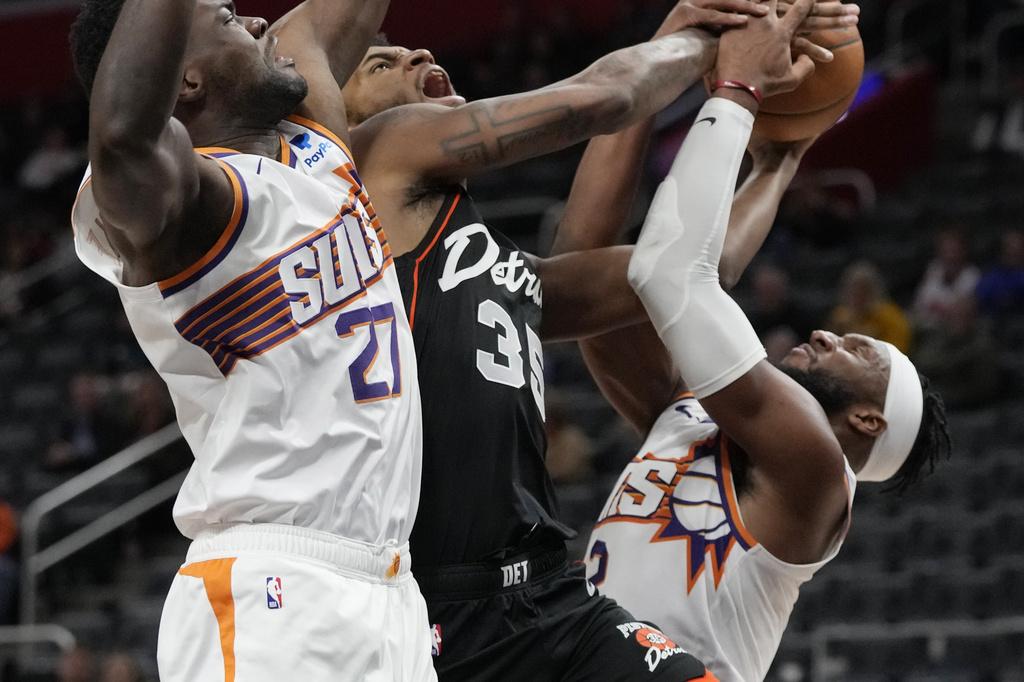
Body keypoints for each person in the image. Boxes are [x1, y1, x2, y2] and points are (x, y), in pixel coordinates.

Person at [336, 1, 857, 678]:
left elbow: (684, 269)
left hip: (546, 590)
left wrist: (777, 162)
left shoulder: (493, 265)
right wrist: (719, 61)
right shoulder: (376, 152)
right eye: (380, 64)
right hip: (436, 605)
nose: (418, 54)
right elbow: (605, 97)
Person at [576, 8, 952, 680]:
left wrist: (738, 90)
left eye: (857, 351)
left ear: (868, 419)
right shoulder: (699, 416)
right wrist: (775, 158)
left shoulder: (817, 472)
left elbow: (673, 273)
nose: (825, 332)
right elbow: (587, 264)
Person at [68, 0, 435, 679]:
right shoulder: (180, 203)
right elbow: (122, 138)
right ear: (186, 79)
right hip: (275, 586)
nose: (262, 23)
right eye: (228, 16)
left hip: (391, 587)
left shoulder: (316, 149)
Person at [827, 260, 913, 352]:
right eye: (851, 290)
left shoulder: (892, 318)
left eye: (863, 291)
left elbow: (897, 353)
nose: (856, 296)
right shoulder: (840, 316)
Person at [911, 228, 980, 330]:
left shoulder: (971, 275)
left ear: (963, 251)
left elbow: (960, 311)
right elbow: (920, 302)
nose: (949, 256)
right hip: (924, 325)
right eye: (945, 251)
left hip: (952, 329)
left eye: (954, 251)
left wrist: (938, 307)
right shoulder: (934, 268)